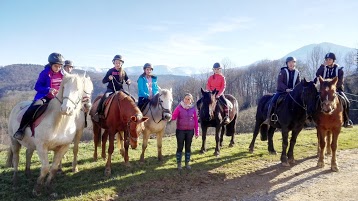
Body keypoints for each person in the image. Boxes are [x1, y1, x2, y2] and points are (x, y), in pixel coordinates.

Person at [13, 52, 65, 140]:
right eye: (56, 66)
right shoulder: (44, 73)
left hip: (59, 98)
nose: (58, 68)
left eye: (60, 66)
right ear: (51, 64)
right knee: (33, 108)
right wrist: (48, 90)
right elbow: (37, 86)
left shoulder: (63, 74)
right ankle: (21, 130)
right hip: (45, 97)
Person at [314, 52, 353, 128]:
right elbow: (317, 74)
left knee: (346, 102)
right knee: (313, 100)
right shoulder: (323, 68)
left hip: (336, 90)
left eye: (330, 59)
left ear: (333, 60)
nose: (328, 61)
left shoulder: (339, 70)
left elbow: (340, 81)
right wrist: (322, 66)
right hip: (324, 91)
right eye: (327, 59)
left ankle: (346, 120)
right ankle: (313, 118)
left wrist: (333, 89)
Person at [262, 56, 300, 125]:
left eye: (292, 62)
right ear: (287, 64)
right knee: (273, 101)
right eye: (289, 62)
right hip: (282, 91)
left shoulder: (297, 72)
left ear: (295, 63)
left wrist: (296, 90)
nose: (291, 64)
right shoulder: (283, 71)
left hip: (293, 92)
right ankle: (269, 117)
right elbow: (280, 82)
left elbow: (298, 83)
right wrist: (286, 89)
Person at [94, 54, 131, 122]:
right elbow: (103, 81)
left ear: (121, 63)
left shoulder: (123, 72)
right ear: (114, 63)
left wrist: (128, 81)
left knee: (130, 98)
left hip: (120, 90)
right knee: (105, 96)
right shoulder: (110, 71)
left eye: (119, 63)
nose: (117, 64)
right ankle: (99, 113)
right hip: (111, 89)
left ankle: (130, 114)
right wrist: (108, 78)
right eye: (116, 62)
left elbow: (127, 79)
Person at [171, 93, 199, 170]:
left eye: (189, 99)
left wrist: (197, 132)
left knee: (188, 147)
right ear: (183, 99)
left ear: (191, 100)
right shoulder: (179, 107)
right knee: (180, 147)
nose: (187, 100)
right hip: (180, 131)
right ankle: (179, 164)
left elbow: (196, 121)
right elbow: (173, 116)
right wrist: (169, 117)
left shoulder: (193, 109)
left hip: (190, 131)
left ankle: (187, 163)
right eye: (186, 98)